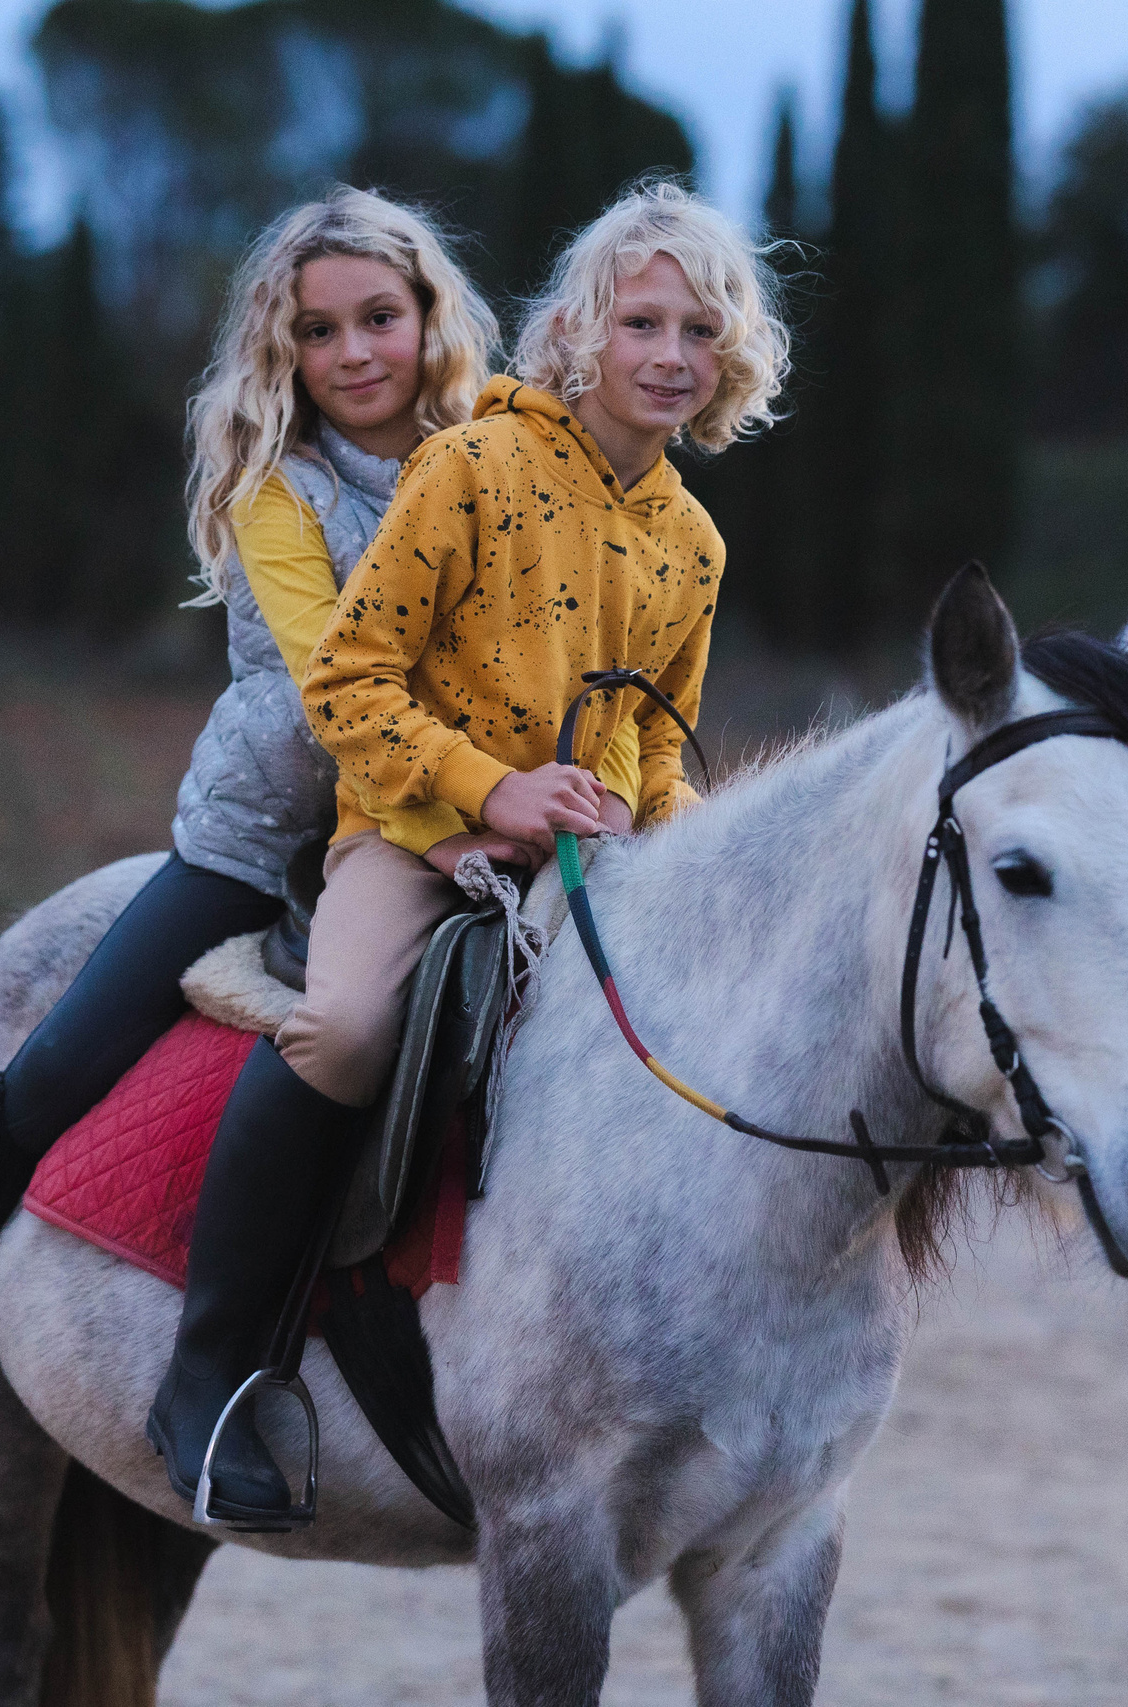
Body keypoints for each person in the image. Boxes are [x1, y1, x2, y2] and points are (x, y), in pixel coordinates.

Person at [0, 187, 534, 1490]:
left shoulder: (496, 459)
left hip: (448, 830)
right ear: (285, 352)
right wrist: (472, 796)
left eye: (381, 317)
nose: (357, 352)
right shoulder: (279, 488)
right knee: (54, 1067)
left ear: (431, 319)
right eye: (321, 331)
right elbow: (336, 685)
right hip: (266, 842)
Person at [149, 181, 790, 1525]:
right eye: (644, 323)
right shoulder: (473, 468)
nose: (672, 355)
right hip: (410, 828)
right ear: (579, 331)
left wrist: (676, 856)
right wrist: (490, 791)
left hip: (587, 861)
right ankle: (208, 1372)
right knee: (343, 1030)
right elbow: (350, 683)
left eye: (701, 332)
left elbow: (658, 750)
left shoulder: (696, 543)